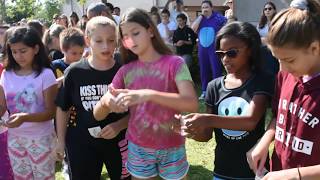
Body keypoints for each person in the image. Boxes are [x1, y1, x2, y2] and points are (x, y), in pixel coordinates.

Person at [94, 8, 198, 180]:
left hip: (172, 146)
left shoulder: (175, 64)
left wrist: (148, 95)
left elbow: (191, 103)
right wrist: (107, 102)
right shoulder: (126, 71)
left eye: (135, 33)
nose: (131, 40)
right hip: (139, 147)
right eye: (125, 37)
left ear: (150, 30)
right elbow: (98, 114)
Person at [179, 21, 274, 180]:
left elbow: (249, 122)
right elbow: (206, 135)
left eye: (231, 53)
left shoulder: (262, 81)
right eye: (220, 53)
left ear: (250, 50)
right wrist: (190, 130)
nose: (225, 59)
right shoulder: (214, 87)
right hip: (222, 170)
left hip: (253, 169)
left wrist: (206, 119)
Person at [247, 0, 320, 179]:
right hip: (277, 169)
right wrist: (264, 141)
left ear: (315, 48)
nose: (283, 69)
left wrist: (296, 175)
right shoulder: (285, 75)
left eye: (289, 60)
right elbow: (281, 115)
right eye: (277, 59)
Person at [54, 16, 130, 180]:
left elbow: (137, 109)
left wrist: (119, 125)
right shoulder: (74, 72)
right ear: (88, 41)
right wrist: (60, 141)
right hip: (81, 142)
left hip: (119, 141)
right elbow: (62, 108)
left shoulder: (124, 70)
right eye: (99, 41)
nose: (106, 46)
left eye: (111, 40)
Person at [0, 26, 58, 179]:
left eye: (23, 51)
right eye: (14, 51)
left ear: (36, 49)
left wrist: (24, 117)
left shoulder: (46, 75)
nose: (19, 56)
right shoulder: (6, 74)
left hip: (41, 138)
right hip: (15, 138)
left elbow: (51, 112)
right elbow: (2, 106)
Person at [191, 0, 227, 100]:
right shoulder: (200, 19)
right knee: (204, 70)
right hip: (202, 49)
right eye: (202, 8)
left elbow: (228, 23)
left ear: (212, 8)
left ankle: (218, 91)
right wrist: (201, 16)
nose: (205, 9)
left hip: (214, 48)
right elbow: (193, 29)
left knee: (216, 69)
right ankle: (204, 91)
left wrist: (220, 33)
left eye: (206, 7)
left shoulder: (217, 17)